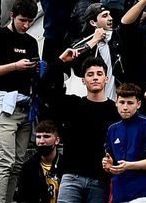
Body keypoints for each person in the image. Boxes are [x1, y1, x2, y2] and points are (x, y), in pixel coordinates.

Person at [0, 0, 43, 203]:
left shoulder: (31, 42)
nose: (26, 25)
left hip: (26, 106)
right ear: (12, 16)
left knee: (17, 164)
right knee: (5, 162)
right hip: (4, 104)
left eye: (30, 21)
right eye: (22, 20)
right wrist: (14, 66)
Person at [57, 55, 122, 203]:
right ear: (83, 80)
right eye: (90, 74)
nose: (95, 78)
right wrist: (61, 61)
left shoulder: (116, 111)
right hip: (71, 177)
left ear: (106, 79)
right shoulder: (73, 105)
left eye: (99, 74)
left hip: (100, 180)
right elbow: (46, 89)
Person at [103, 84, 146, 202]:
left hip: (142, 193)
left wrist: (129, 165)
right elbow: (111, 161)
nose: (125, 107)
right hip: (118, 194)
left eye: (130, 103)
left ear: (138, 104)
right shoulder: (112, 129)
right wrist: (107, 164)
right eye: (122, 102)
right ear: (116, 103)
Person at [15, 120, 64, 203]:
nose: (41, 141)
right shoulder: (28, 167)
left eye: (46, 136)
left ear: (57, 140)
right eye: (38, 137)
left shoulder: (66, 166)